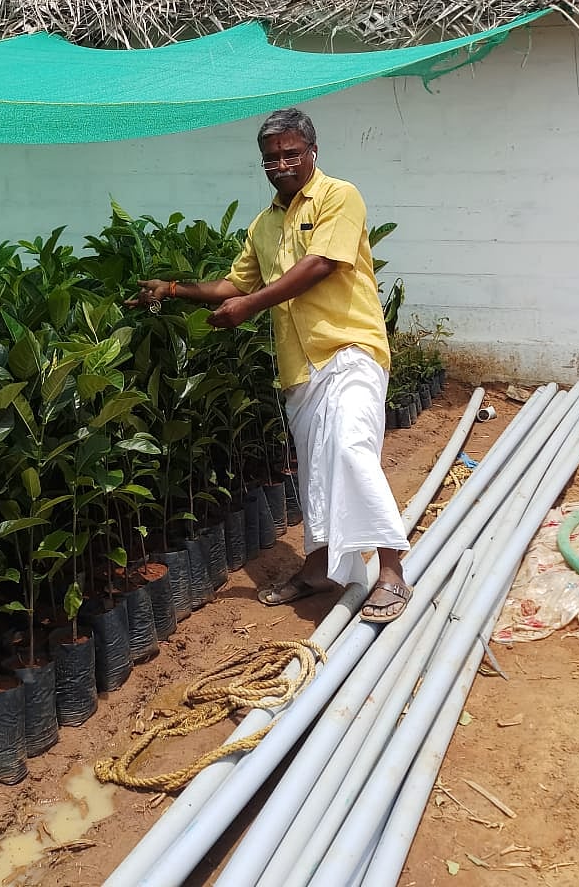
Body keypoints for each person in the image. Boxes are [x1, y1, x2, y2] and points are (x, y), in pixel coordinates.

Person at [132, 107, 412, 624]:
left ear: (312, 151)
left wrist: (250, 307)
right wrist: (173, 290)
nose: (281, 163)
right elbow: (233, 285)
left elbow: (320, 265)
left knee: (352, 450)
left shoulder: (338, 196)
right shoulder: (264, 224)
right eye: (271, 158)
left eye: (290, 153)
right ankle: (320, 568)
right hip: (300, 367)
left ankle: (392, 571)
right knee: (316, 472)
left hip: (349, 348)